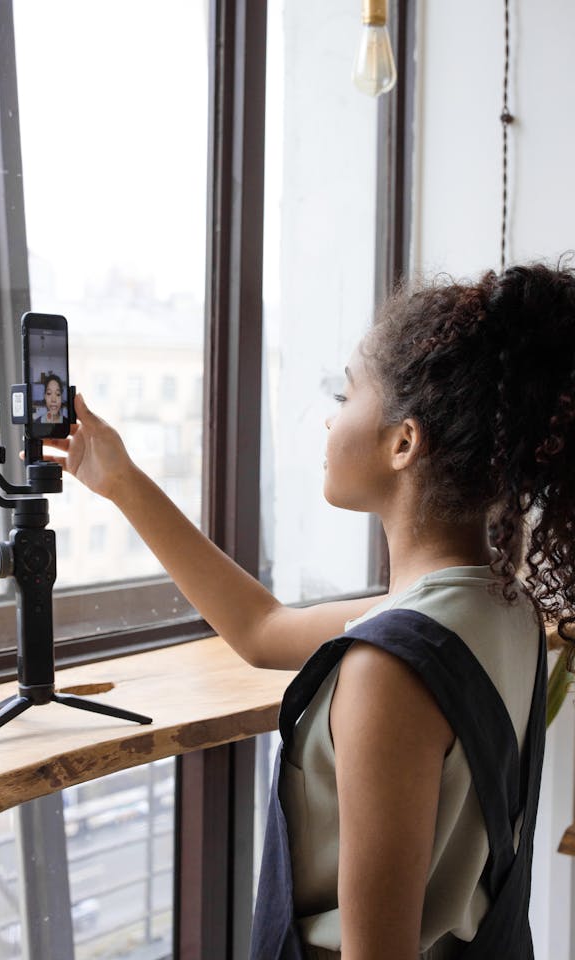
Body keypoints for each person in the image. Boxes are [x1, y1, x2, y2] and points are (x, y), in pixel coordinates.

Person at [45, 262, 575, 959]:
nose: (331, 415)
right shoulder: (498, 609)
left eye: (348, 392)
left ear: (403, 442)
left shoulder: (391, 668)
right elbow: (262, 632)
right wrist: (120, 481)